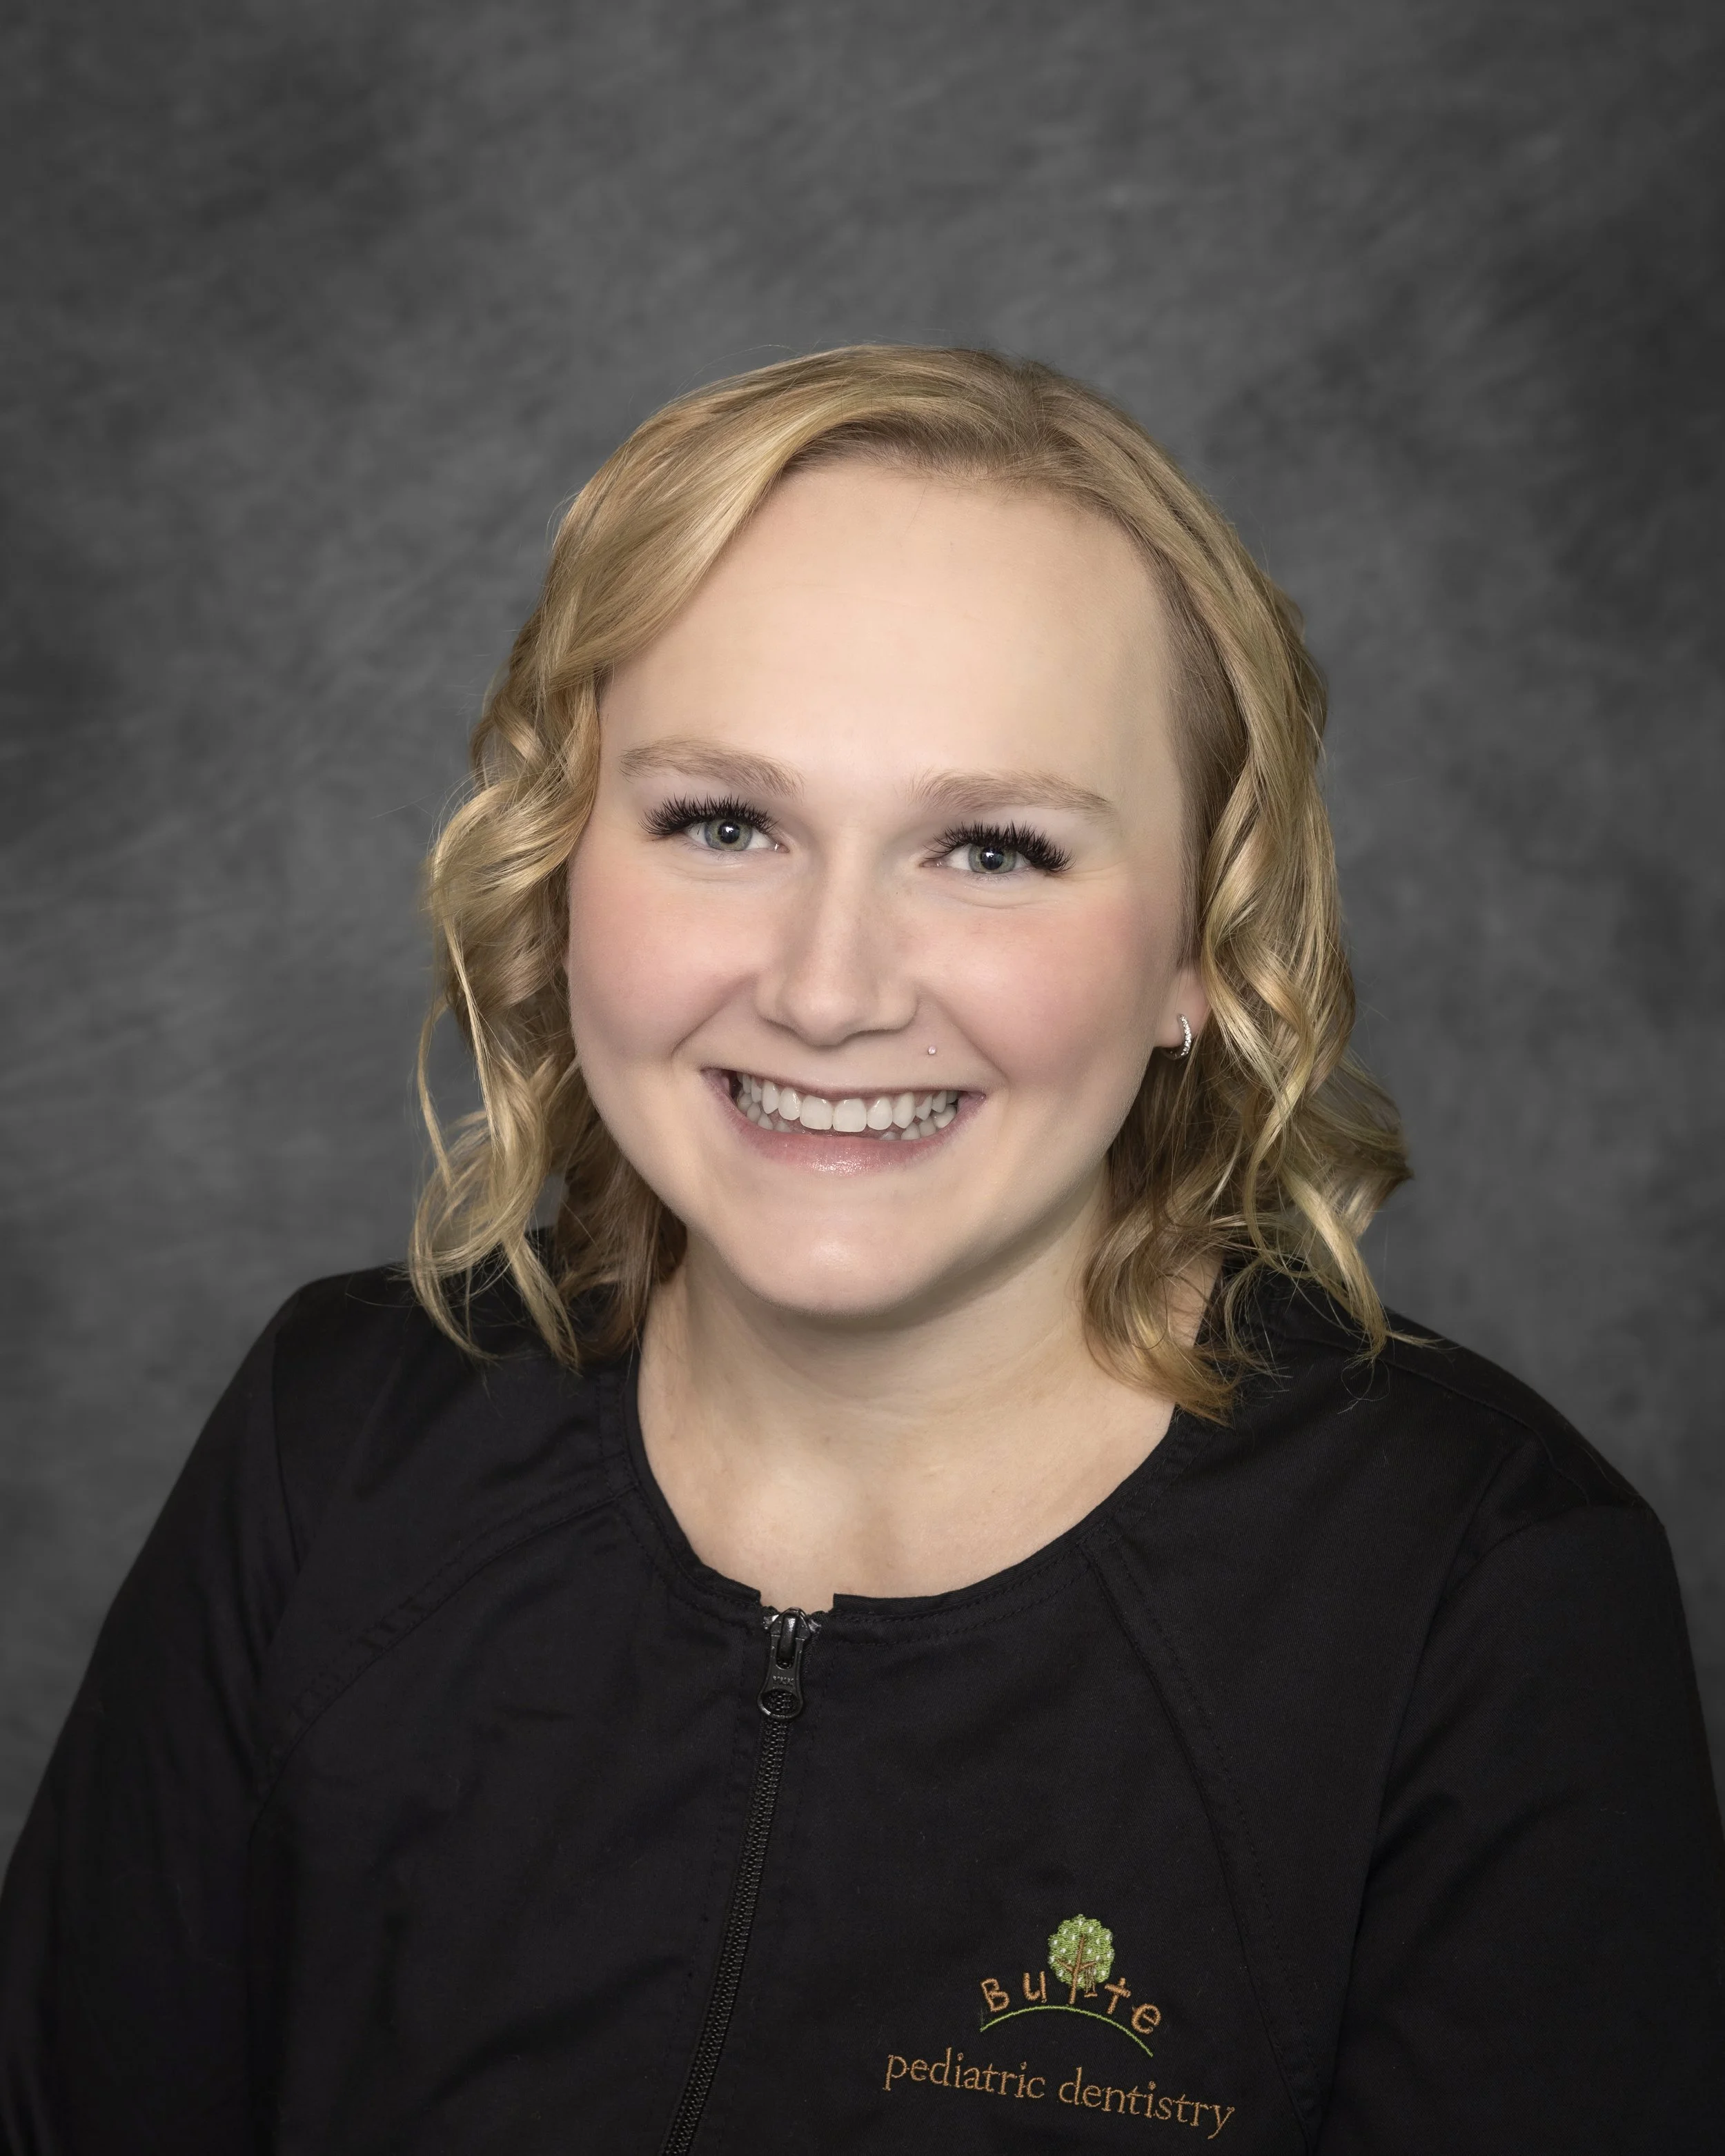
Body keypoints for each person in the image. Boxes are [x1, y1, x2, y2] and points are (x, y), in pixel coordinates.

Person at [1, 346, 1720, 2155]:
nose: (828, 992)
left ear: (1203, 950)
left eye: (991, 849)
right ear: (560, 868)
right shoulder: (340, 1441)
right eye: (721, 822)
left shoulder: (1485, 1592)